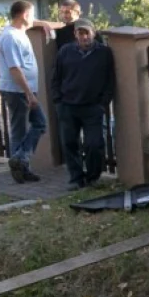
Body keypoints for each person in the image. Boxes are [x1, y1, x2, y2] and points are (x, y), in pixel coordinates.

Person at [51, 18, 115, 190]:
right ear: (75, 35)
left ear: (93, 33)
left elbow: (110, 80)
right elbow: (56, 77)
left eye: (87, 33)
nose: (84, 36)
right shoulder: (65, 51)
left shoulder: (104, 53)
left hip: (92, 107)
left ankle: (93, 177)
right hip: (67, 106)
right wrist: (58, 100)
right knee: (70, 144)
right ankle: (76, 178)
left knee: (94, 144)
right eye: (81, 33)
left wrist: (103, 103)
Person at [0, 1, 47, 183]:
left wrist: (49, 24)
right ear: (24, 15)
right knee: (35, 125)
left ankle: (21, 166)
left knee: (32, 126)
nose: (34, 19)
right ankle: (20, 160)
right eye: (32, 15)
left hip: (23, 91)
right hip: (18, 91)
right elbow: (14, 68)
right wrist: (29, 93)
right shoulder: (11, 37)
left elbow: (37, 22)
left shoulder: (18, 32)